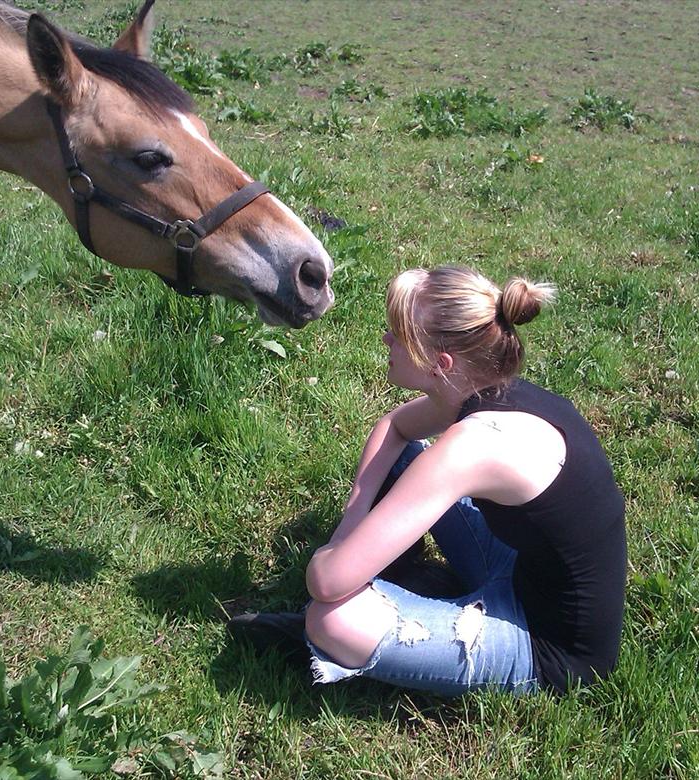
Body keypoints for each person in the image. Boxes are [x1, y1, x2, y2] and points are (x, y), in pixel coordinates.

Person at [229, 266, 626, 695]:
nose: (386, 340)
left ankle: (365, 615)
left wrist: (340, 552)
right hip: (521, 569)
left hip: (553, 650)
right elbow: (394, 428)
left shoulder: (475, 444)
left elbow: (324, 583)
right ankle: (400, 583)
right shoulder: (487, 389)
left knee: (328, 619)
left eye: (398, 334)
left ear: (440, 364)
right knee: (401, 462)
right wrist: (353, 521)